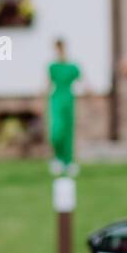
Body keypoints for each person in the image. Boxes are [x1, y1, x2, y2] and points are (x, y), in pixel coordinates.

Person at [47, 38, 81, 175]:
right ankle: (57, 158)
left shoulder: (72, 67)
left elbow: (83, 82)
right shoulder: (52, 67)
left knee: (68, 131)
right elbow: (47, 84)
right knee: (56, 131)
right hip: (56, 99)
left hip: (68, 99)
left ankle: (68, 162)